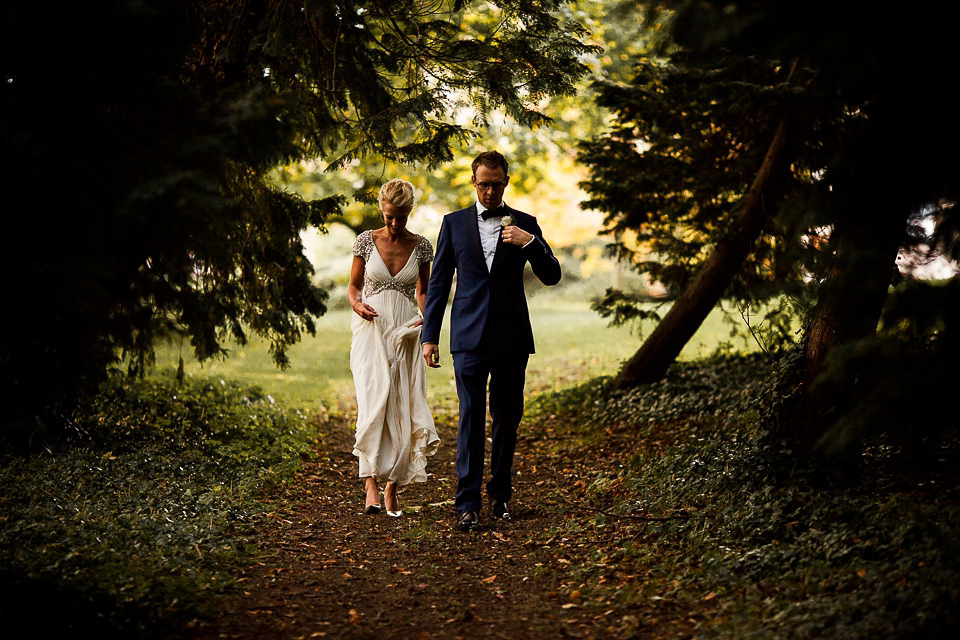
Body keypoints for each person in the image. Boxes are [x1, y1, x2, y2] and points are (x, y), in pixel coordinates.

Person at [421, 151, 562, 531]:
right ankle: (467, 503)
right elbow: (438, 285)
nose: (488, 190)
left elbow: (552, 275)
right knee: (469, 418)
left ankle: (500, 496)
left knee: (506, 419)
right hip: (467, 337)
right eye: (483, 183)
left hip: (511, 337)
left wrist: (530, 243)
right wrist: (429, 336)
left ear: (506, 182)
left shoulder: (526, 224)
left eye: (495, 184)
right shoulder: (452, 224)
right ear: (473, 182)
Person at [348, 178, 440, 517]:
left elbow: (424, 292)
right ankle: (369, 481)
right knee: (373, 401)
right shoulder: (365, 242)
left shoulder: (422, 246)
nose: (395, 223)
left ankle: (392, 487)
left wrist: (430, 326)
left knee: (402, 405)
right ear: (382, 210)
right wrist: (358, 305)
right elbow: (353, 289)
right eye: (389, 216)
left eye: (400, 216)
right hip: (370, 330)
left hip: (406, 331)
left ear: (409, 212)